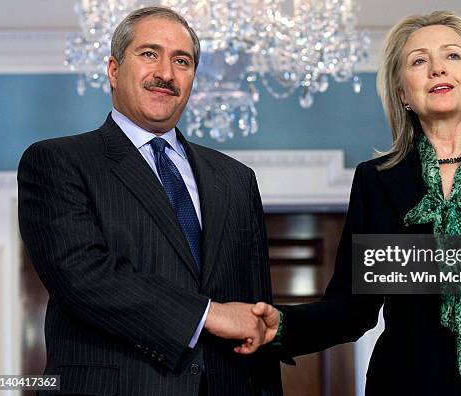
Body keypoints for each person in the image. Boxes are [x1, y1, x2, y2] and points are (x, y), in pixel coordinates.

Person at [247, 10, 461, 395]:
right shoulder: (376, 181)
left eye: (452, 55)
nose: (437, 69)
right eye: (418, 61)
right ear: (403, 93)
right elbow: (352, 309)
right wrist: (281, 326)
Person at [18, 6, 281, 396]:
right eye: (149, 54)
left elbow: (255, 312)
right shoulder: (57, 161)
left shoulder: (236, 179)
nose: (166, 73)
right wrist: (208, 315)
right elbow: (83, 277)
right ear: (113, 69)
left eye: (182, 61)